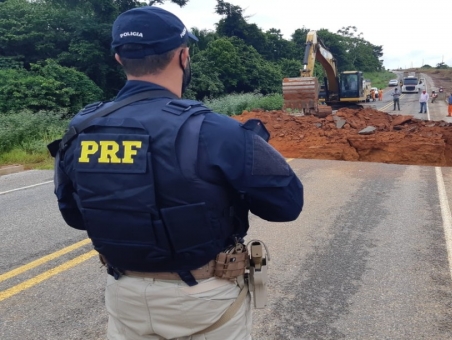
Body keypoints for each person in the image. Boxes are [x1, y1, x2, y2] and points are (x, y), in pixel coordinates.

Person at [50, 6, 303, 340]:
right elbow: (286, 206)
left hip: (124, 296)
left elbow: (74, 215)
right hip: (204, 300)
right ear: (184, 57)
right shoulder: (218, 130)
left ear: (118, 58)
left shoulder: (82, 129)